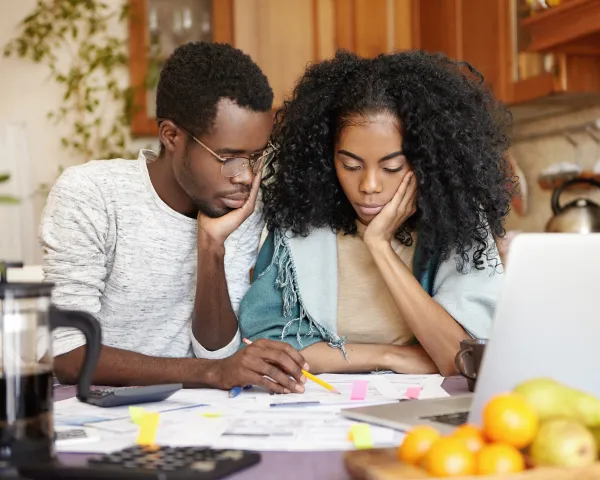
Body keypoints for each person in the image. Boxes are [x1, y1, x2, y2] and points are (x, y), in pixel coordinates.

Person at [40, 42, 308, 393]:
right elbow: (69, 355)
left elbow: (217, 356)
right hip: (96, 415)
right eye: (228, 157)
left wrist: (212, 246)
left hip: (192, 414)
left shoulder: (240, 205)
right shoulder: (91, 194)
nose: (245, 176)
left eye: (257, 156)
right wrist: (211, 374)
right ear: (171, 136)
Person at [237, 50, 515, 376]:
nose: (369, 185)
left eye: (392, 166)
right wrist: (390, 357)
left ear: (425, 160)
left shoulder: (459, 222)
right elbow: (267, 342)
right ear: (328, 159)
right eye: (350, 165)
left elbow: (462, 360)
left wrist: (380, 246)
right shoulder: (300, 221)